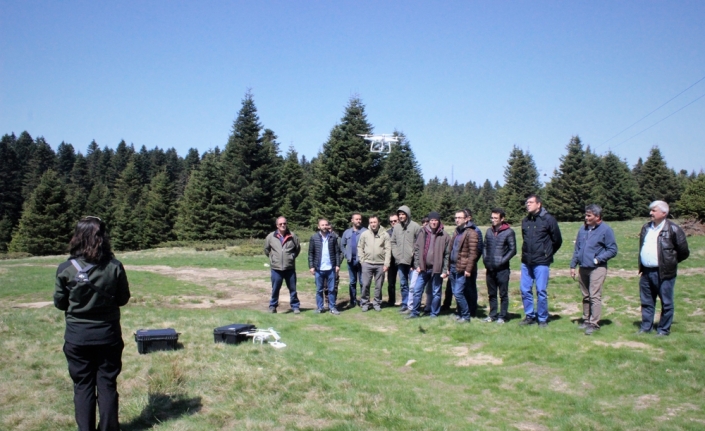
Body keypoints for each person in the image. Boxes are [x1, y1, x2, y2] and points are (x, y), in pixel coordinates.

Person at [54, 216, 131, 431]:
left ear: (77, 237)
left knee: (82, 385)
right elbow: (123, 299)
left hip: (77, 337)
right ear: (103, 238)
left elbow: (60, 303)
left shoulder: (65, 269)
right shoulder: (114, 267)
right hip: (108, 335)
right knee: (107, 384)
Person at [637, 200, 689, 336]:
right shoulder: (646, 227)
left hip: (664, 273)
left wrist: (669, 263)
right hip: (646, 272)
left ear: (664, 213)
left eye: (654, 210)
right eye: (651, 210)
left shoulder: (673, 229)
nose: (650, 213)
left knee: (666, 303)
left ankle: (663, 330)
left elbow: (684, 252)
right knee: (646, 302)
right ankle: (645, 327)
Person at [569, 205, 618, 335]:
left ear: (597, 216)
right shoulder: (583, 229)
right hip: (583, 267)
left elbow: (612, 250)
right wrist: (573, 265)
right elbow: (578, 249)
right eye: (586, 215)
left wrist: (598, 259)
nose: (586, 218)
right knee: (585, 295)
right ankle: (586, 319)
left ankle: (594, 323)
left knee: (594, 295)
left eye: (589, 216)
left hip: (597, 268)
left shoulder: (606, 230)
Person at [519, 194, 562, 328]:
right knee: (525, 290)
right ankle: (529, 316)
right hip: (526, 261)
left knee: (541, 290)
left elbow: (557, 240)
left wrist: (547, 253)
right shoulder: (526, 221)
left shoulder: (548, 220)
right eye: (527, 203)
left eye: (531, 202)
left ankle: (542, 318)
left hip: (541, 262)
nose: (528, 204)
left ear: (539, 204)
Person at [407, 212, 451, 319]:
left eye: (435, 220)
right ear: (429, 221)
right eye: (432, 220)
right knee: (417, 291)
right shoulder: (422, 232)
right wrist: (417, 264)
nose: (433, 222)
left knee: (436, 292)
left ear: (439, 221)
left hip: (437, 269)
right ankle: (415, 313)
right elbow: (417, 249)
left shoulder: (444, 236)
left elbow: (447, 255)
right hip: (423, 268)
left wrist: (445, 270)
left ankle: (434, 313)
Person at [443, 209, 483, 316]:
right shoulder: (457, 231)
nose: (457, 220)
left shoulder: (472, 232)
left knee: (459, 292)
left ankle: (466, 315)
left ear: (466, 219)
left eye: (459, 217)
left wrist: (468, 269)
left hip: (463, 268)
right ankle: (460, 313)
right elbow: (451, 250)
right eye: (455, 218)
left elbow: (473, 253)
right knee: (457, 293)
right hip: (453, 267)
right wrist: (448, 266)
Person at [483, 208, 517, 324]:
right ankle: (492, 315)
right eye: (492, 217)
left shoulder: (509, 232)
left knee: (503, 294)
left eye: (495, 218)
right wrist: (485, 259)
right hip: (490, 268)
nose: (493, 220)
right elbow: (484, 246)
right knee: (491, 294)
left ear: (502, 219)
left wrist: (502, 261)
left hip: (502, 269)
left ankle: (502, 316)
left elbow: (513, 250)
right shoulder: (489, 231)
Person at [264, 216, 302, 314]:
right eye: (280, 224)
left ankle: (295, 306)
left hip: (289, 268)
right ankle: (272, 306)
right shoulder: (270, 237)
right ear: (277, 225)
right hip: (276, 268)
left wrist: (291, 257)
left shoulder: (293, 236)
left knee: (293, 289)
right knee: (275, 289)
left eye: (284, 223)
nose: (283, 225)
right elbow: (266, 249)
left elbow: (297, 249)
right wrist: (273, 259)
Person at [390, 205, 422, 313]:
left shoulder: (415, 227)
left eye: (403, 214)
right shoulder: (397, 228)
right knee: (403, 284)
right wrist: (396, 254)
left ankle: (412, 305)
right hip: (400, 261)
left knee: (413, 286)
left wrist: (415, 258)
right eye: (399, 214)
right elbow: (393, 242)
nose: (401, 216)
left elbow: (420, 244)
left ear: (407, 214)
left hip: (412, 262)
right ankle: (404, 304)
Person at [358, 215, 392, 312]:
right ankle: (365, 303)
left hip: (380, 264)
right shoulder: (365, 234)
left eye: (375, 222)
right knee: (365, 284)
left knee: (378, 286)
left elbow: (388, 249)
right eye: (371, 222)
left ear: (379, 222)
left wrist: (386, 264)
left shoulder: (385, 235)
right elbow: (360, 247)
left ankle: (377, 303)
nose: (373, 224)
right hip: (367, 263)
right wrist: (362, 261)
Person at [309, 218, 342, 315]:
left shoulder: (333, 237)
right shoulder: (314, 237)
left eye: (326, 225)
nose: (324, 227)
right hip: (318, 268)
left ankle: (332, 307)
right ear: (318, 226)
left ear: (328, 226)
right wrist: (311, 266)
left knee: (331, 289)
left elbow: (337, 252)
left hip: (331, 268)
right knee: (319, 290)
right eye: (322, 225)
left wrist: (337, 265)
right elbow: (311, 253)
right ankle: (320, 307)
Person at [341, 213, 367, 308]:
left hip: (361, 261)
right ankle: (352, 301)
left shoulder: (365, 232)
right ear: (352, 220)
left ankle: (363, 301)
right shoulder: (347, 232)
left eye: (360, 219)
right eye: (356, 219)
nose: (358, 221)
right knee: (352, 282)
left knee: (362, 281)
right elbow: (342, 245)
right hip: (350, 260)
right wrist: (346, 254)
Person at [386, 213, 399, 306]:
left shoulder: (403, 231)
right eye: (391, 221)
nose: (393, 222)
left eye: (395, 220)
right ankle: (391, 301)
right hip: (391, 261)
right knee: (391, 283)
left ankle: (406, 302)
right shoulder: (387, 233)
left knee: (404, 283)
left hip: (402, 261)